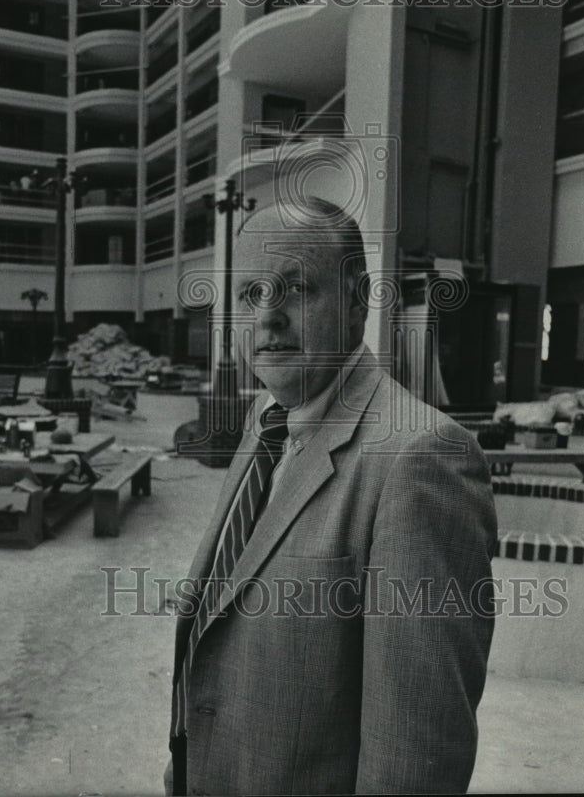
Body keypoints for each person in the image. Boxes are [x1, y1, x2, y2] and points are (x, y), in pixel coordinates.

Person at [167, 196, 497, 795]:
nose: (267, 316)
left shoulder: (421, 458)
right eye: (250, 293)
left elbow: (413, 758)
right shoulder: (268, 417)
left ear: (356, 300)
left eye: (295, 289)